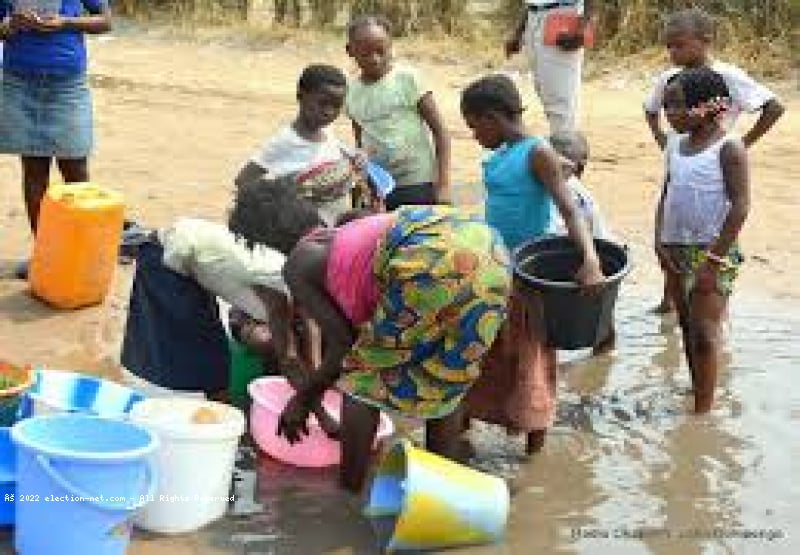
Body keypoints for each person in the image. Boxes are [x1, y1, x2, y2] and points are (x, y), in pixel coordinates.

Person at [228, 179, 512, 492]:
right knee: (446, 375)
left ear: (265, 239)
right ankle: (440, 494)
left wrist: (304, 399)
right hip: (485, 248)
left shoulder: (300, 261)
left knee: (360, 380)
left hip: (427, 257)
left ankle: (349, 493)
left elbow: (344, 347)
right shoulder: (349, 228)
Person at [459, 74, 604, 454]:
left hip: (525, 273)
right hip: (493, 267)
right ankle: (465, 433)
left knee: (531, 356)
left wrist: (589, 261)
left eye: (475, 127)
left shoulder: (536, 151)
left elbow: (569, 209)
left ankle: (533, 445)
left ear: (492, 117)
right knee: (486, 350)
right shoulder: (509, 151)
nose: (475, 135)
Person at [643, 8, 784, 313]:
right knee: (675, 222)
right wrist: (662, 140)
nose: (672, 52)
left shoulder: (727, 77)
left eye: (679, 44)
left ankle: (712, 295)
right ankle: (672, 298)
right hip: (682, 155)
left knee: (716, 223)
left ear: (705, 41)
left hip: (718, 163)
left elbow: (773, 107)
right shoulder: (669, 79)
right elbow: (650, 108)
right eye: (668, 46)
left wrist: (743, 144)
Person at [655, 67, 750, 414]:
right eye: (666, 107)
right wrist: (659, 239)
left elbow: (740, 206)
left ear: (706, 106)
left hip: (713, 250)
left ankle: (703, 412)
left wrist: (714, 261)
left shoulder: (729, 148)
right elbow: (666, 193)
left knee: (705, 333)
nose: (669, 114)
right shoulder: (676, 146)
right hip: (675, 246)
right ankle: (698, 389)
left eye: (677, 106)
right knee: (686, 325)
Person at [0, 0, 112, 279]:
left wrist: (65, 22)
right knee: (34, 172)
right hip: (19, 82)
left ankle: (84, 258)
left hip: (67, 86)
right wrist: (11, 25)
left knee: (76, 172)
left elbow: (106, 21)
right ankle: (45, 257)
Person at [344, 14, 451, 209]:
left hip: (417, 181)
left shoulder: (407, 79)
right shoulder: (351, 91)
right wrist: (360, 183)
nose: (375, 59)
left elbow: (440, 131)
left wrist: (443, 185)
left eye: (381, 51)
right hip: (378, 185)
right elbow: (360, 140)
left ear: (391, 46)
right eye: (366, 54)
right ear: (350, 51)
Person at [234, 64, 361, 225]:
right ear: (300, 96)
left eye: (336, 106)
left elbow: (333, 150)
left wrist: (356, 156)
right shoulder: (285, 141)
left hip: (334, 225)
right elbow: (243, 180)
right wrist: (278, 206)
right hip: (303, 231)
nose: (329, 112)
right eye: (322, 103)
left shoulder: (327, 131)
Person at [549, 131, 616, 354]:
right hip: (594, 254)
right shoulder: (575, 189)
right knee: (601, 317)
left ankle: (602, 356)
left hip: (584, 258)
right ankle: (603, 359)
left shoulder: (569, 191)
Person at [505, 0, 593, 137]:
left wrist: (582, 27)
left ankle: (567, 147)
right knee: (545, 91)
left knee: (560, 98)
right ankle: (564, 145)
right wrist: (519, 31)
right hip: (534, 17)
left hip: (561, 17)